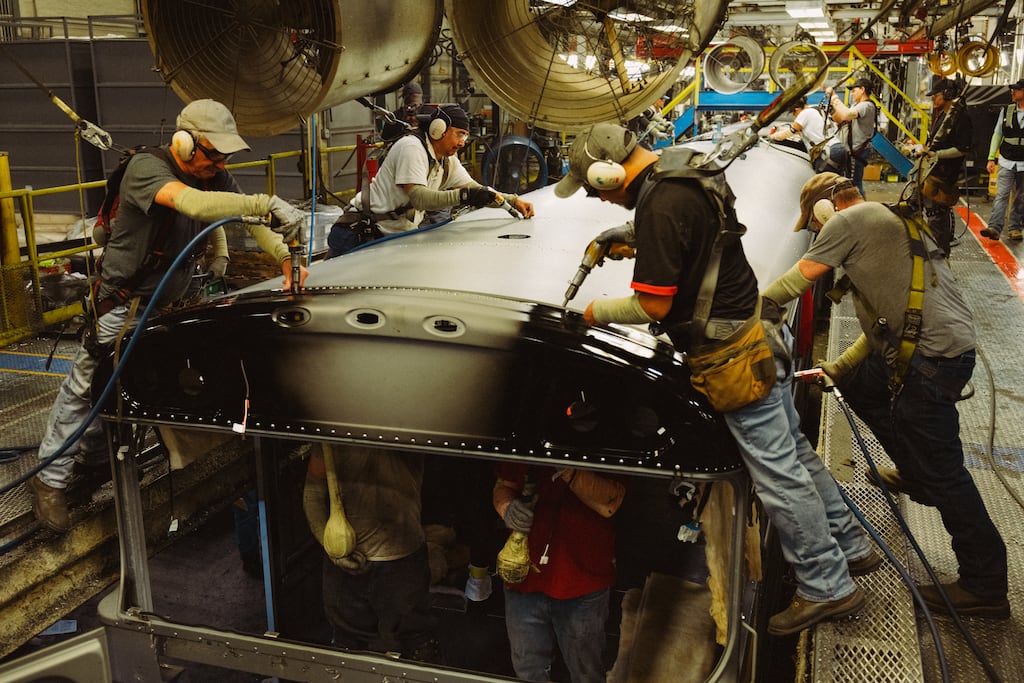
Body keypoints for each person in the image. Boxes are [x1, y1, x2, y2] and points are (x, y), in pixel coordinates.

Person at [557, 123, 878, 637]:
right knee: (794, 455)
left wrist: (595, 312)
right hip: (756, 334)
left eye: (595, 188)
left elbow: (653, 304)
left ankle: (827, 586)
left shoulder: (658, 204)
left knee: (779, 478)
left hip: (729, 358)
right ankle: (853, 547)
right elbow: (697, 237)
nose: (601, 198)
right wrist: (638, 239)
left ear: (606, 171)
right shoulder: (683, 172)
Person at [29, 99, 309, 534]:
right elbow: (195, 205)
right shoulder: (147, 169)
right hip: (120, 305)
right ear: (184, 141)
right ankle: (50, 480)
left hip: (162, 306)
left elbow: (245, 217)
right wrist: (265, 201)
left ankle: (98, 462)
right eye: (212, 154)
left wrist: (283, 257)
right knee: (85, 390)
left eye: (224, 157)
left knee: (136, 386)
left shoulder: (213, 173)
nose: (218, 164)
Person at [762, 172, 1010, 619]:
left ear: (825, 208)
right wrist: (835, 371)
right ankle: (915, 472)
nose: (818, 234)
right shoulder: (884, 220)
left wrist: (745, 313)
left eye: (815, 225)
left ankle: (985, 584)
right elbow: (881, 330)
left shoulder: (848, 221)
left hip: (934, 361)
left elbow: (793, 283)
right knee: (861, 383)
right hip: (936, 348)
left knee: (947, 476)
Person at [326, 104, 535, 257]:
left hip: (388, 238)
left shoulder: (446, 161)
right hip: (357, 234)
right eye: (459, 134)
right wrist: (466, 197)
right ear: (438, 129)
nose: (462, 143)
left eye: (465, 137)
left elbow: (475, 189)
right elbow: (419, 198)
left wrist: (512, 200)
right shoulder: (411, 148)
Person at [303, 443, 443, 663]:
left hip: (401, 559)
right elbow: (313, 491)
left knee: (417, 645)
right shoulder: (332, 435)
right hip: (346, 563)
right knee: (347, 649)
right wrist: (330, 547)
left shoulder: (407, 425)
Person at [494, 462, 625, 683]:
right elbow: (504, 485)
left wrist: (564, 465)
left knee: (586, 673)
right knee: (528, 670)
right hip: (524, 577)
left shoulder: (607, 438)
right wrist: (508, 508)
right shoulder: (529, 436)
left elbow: (609, 502)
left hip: (582, 581)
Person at [913, 77, 972, 255]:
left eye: (936, 95)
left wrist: (937, 155)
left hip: (944, 175)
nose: (932, 99)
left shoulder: (960, 118)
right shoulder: (943, 116)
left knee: (936, 217)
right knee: (913, 207)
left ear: (947, 94)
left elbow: (963, 149)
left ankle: (941, 259)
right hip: (930, 171)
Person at [982, 78, 1024, 242]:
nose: (1012, 92)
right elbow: (997, 134)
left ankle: (1015, 228)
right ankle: (994, 227)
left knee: (1021, 197)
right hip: (1007, 160)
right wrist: (991, 158)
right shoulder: (1006, 111)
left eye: (1016, 89)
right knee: (1002, 195)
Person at [823, 78, 877, 195]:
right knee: (850, 183)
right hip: (853, 150)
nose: (852, 94)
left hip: (858, 151)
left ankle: (859, 210)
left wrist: (834, 97)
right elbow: (840, 119)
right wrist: (833, 108)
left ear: (862, 90)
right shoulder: (856, 105)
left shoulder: (866, 105)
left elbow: (847, 115)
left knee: (855, 184)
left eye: (854, 91)